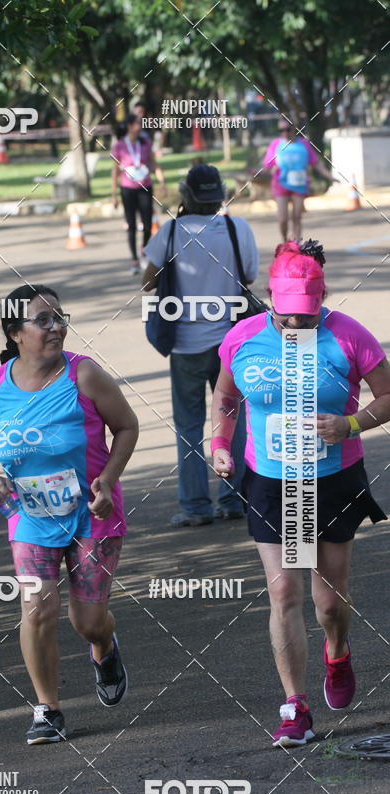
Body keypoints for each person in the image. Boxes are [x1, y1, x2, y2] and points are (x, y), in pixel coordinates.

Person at [211, 240, 390, 748]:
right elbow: (225, 397)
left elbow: (388, 395)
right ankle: (295, 706)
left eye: (306, 319)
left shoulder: (350, 337)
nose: (295, 328)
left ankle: (338, 649)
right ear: (270, 298)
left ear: (322, 302)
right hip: (270, 480)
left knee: (328, 602)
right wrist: (220, 443)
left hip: (332, 480)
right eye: (286, 318)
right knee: (284, 590)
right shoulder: (242, 338)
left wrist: (351, 423)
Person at [0, 285, 139, 745]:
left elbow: (126, 426)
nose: (57, 326)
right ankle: (47, 709)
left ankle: (103, 646)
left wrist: (109, 479)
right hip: (30, 517)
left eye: (60, 317)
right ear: (15, 332)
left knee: (87, 621)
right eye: (43, 320)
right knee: (36, 607)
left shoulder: (84, 376)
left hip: (92, 515)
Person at [142, 164, 258, 527]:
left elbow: (148, 283)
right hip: (231, 344)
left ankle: (195, 507)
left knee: (189, 426)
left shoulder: (171, 232)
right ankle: (234, 498)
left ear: (185, 194)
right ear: (220, 193)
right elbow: (250, 276)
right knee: (232, 421)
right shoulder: (238, 229)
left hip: (186, 346)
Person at [263, 118, 335, 242]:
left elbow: (316, 163)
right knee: (283, 218)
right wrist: (257, 173)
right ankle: (285, 240)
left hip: (299, 184)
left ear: (294, 129)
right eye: (281, 130)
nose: (284, 132)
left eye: (287, 129)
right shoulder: (276, 144)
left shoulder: (304, 144)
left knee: (297, 216)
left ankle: (296, 245)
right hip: (281, 183)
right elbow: (267, 166)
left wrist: (329, 176)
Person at [112, 113, 166, 275]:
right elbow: (115, 171)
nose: (140, 126)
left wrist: (162, 182)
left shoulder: (145, 143)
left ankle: (144, 249)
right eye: (137, 123)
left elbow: (153, 164)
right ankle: (134, 259)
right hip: (128, 188)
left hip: (145, 186)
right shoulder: (120, 146)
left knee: (148, 223)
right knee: (131, 224)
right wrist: (114, 194)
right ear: (129, 126)